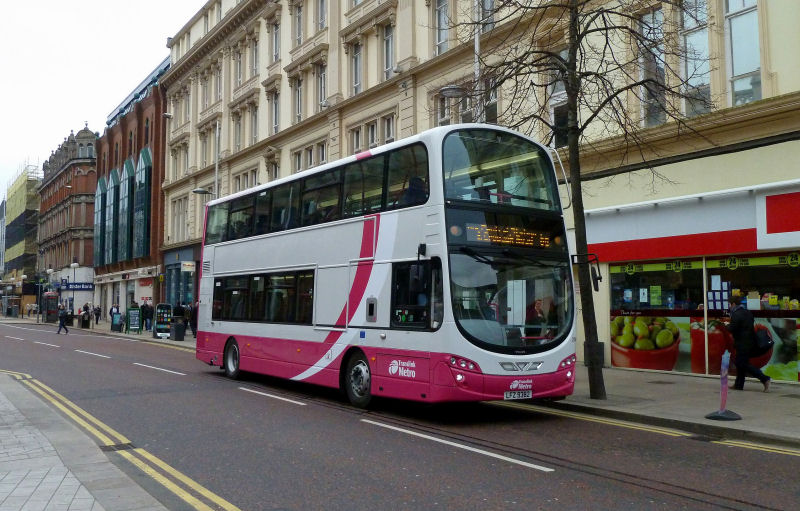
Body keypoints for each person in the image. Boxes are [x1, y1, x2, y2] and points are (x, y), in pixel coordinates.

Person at [727, 294, 770, 392]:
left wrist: (726, 326)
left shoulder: (736, 314)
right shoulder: (747, 312)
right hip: (749, 342)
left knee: (742, 363)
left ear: (733, 304)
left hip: (742, 343)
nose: (729, 306)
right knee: (740, 363)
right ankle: (739, 384)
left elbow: (732, 328)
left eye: (729, 304)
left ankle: (765, 379)